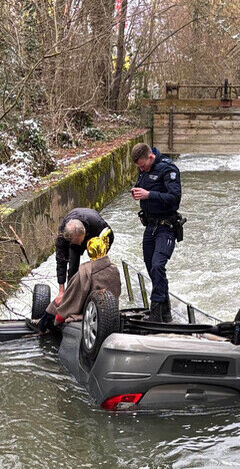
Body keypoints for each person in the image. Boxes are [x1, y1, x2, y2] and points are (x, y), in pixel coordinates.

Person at [129, 142, 181, 323]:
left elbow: (175, 198)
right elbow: (144, 187)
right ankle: (166, 312)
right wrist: (137, 193)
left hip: (166, 226)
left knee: (158, 265)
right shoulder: (144, 169)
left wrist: (148, 194)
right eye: (139, 168)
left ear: (150, 157)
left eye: (143, 166)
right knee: (152, 268)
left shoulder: (168, 169)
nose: (141, 169)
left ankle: (156, 313)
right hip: (150, 226)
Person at [38, 233, 121, 332]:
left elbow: (71, 298)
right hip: (110, 315)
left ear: (89, 252)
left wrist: (59, 315)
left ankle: (41, 325)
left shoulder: (84, 272)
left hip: (88, 315)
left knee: (58, 303)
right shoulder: (114, 269)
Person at [54, 208, 112, 307]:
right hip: (74, 241)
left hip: (95, 236)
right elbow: (61, 262)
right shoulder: (63, 236)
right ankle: (70, 296)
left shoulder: (98, 224)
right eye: (78, 242)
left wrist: (101, 257)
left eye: (81, 241)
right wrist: (61, 290)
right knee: (72, 268)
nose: (81, 244)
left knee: (98, 266)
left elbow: (110, 235)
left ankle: (98, 292)